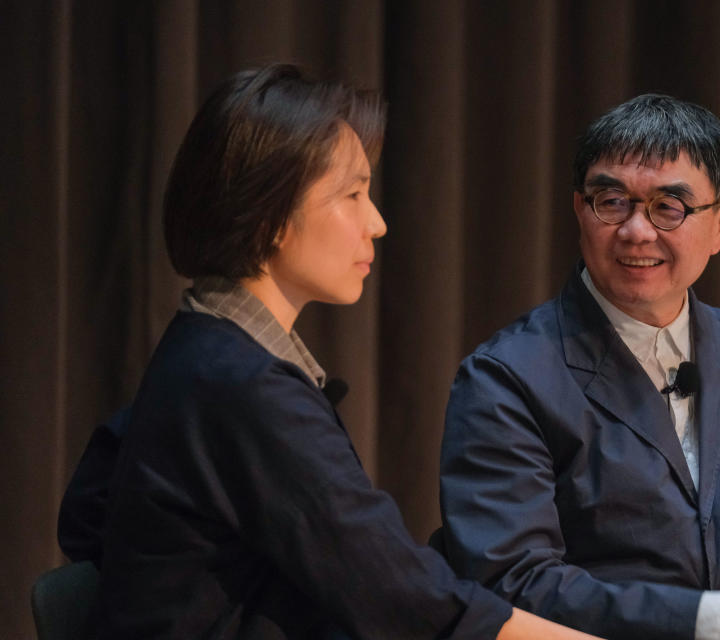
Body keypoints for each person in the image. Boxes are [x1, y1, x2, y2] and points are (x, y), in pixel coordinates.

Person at [91, 64, 602, 640]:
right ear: (269, 213)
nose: (377, 223)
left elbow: (89, 514)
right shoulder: (243, 386)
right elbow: (405, 599)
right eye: (352, 193)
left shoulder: (200, 346)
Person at [438, 94, 720, 640]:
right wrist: (714, 623)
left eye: (667, 208)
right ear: (580, 209)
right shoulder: (505, 376)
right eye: (611, 201)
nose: (636, 231)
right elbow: (509, 583)